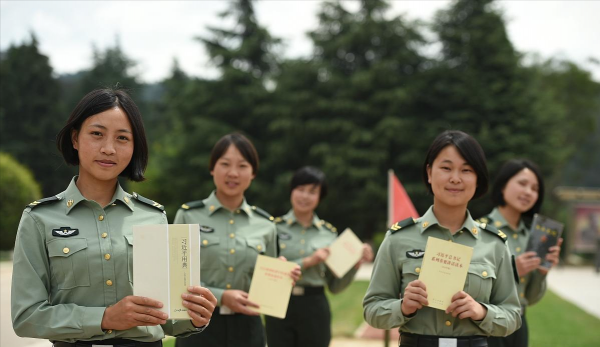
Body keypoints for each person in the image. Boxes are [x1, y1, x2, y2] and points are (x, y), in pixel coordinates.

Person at [11, 89, 217, 347]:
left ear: (134, 147)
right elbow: (26, 316)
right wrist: (105, 318)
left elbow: (166, 319)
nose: (108, 149)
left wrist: (196, 316)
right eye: (97, 134)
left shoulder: (153, 216)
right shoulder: (39, 218)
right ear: (75, 139)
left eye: (122, 138)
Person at [363, 130, 521, 347]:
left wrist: (482, 312)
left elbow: (513, 316)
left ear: (477, 180)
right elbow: (372, 309)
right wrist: (402, 307)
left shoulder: (494, 244)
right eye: (446, 168)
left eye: (466, 170)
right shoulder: (398, 238)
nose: (455, 178)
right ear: (429, 172)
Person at [173, 133, 301, 347]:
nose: (233, 173)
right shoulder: (187, 216)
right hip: (197, 324)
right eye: (225, 164)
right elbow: (176, 279)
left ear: (253, 173)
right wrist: (222, 296)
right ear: (212, 168)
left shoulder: (266, 225)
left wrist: (283, 277)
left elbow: (267, 291)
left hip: (248, 329)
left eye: (242, 166)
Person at [264, 166, 374, 347]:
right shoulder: (273, 228)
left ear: (320, 197)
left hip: (314, 306)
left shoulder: (329, 234)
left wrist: (354, 265)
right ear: (291, 191)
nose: (305, 196)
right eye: (300, 189)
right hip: (279, 304)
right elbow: (266, 274)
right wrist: (308, 261)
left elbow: (335, 286)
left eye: (312, 192)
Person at [481, 159, 562, 347]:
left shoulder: (533, 237)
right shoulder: (479, 229)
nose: (528, 192)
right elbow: (469, 289)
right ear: (503, 186)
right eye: (522, 183)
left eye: (535, 188)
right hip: (485, 324)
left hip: (519, 324)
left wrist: (542, 273)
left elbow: (530, 298)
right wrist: (512, 271)